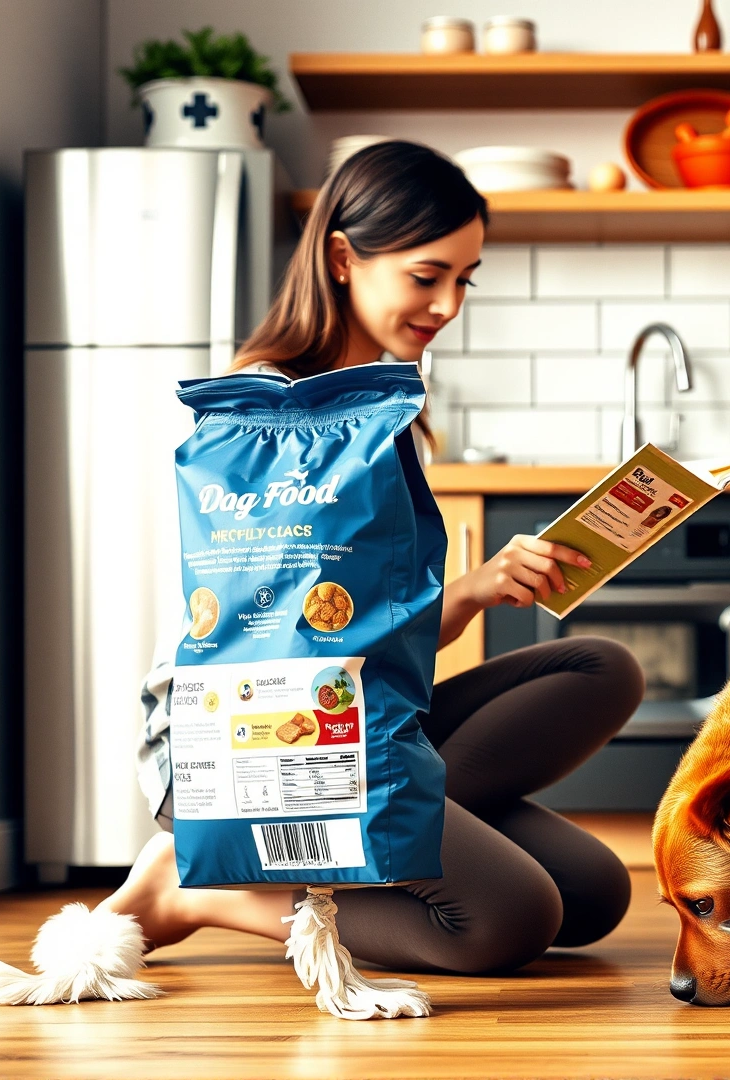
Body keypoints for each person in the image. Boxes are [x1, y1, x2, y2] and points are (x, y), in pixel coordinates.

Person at [111, 141, 645, 974]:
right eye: (427, 276)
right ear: (341, 258)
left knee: (594, 863)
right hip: (249, 739)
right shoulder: (269, 407)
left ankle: (367, 851)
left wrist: (469, 592)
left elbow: (358, 640)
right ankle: (194, 889)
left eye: (465, 280)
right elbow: (281, 645)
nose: (448, 304)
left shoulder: (386, 405)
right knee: (510, 916)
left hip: (348, 711)